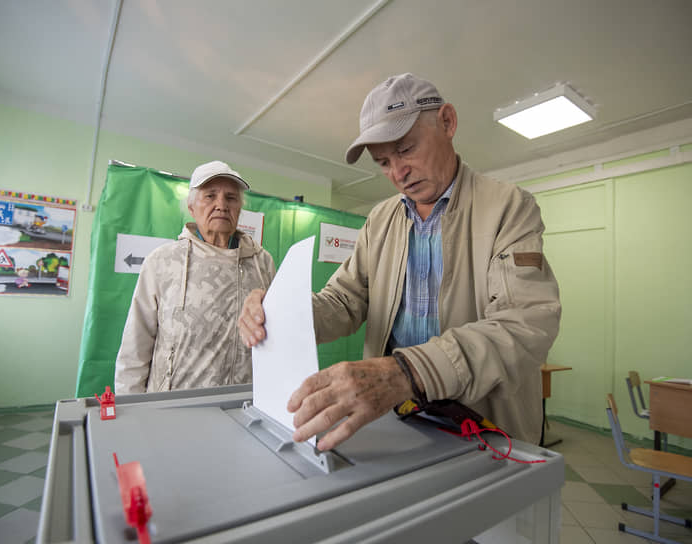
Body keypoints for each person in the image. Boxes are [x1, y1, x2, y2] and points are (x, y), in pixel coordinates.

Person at [239, 73, 561, 450]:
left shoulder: (508, 207)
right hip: (397, 419)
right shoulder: (380, 219)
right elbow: (343, 301)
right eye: (383, 163)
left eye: (406, 150)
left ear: (447, 122)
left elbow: (524, 325)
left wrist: (408, 371)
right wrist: (280, 312)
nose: (397, 173)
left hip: (483, 425)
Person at [115, 160, 275, 393]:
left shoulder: (262, 263)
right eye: (210, 196)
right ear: (192, 208)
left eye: (230, 198)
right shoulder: (162, 262)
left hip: (243, 406)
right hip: (172, 409)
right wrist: (132, 412)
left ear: (240, 208)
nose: (221, 205)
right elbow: (135, 347)